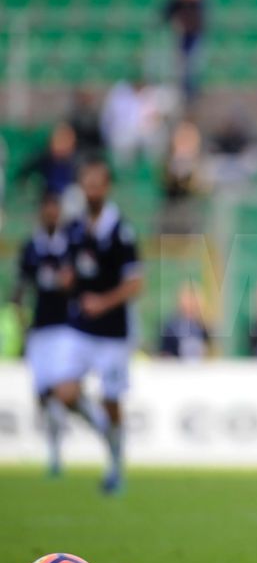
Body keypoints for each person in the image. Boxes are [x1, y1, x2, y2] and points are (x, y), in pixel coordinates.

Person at [49, 156, 143, 494]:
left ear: (106, 188)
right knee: (64, 392)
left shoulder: (121, 231)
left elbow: (135, 284)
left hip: (113, 334)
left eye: (96, 184)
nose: (90, 190)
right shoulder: (74, 229)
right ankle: (103, 428)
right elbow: (73, 271)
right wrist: (66, 280)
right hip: (80, 327)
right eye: (86, 184)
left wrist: (103, 302)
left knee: (113, 400)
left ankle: (116, 464)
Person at [11, 194, 75, 476]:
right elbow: (20, 289)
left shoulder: (70, 245)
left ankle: (56, 457)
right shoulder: (31, 247)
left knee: (59, 392)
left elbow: (81, 283)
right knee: (43, 395)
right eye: (46, 210)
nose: (51, 215)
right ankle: (55, 454)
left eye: (54, 210)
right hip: (40, 330)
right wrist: (22, 322)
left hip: (64, 329)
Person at [160, 282, 212, 360]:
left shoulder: (204, 327)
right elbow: (165, 354)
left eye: (194, 299)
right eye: (188, 298)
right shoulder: (170, 327)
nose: (192, 302)